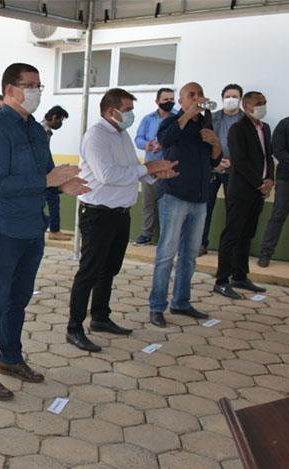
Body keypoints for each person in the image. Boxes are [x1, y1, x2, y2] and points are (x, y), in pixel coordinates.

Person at [0, 63, 89, 400]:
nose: (37, 91)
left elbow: (46, 174)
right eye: (30, 85)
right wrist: (48, 181)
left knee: (18, 300)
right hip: (4, 229)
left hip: (30, 229)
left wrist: (63, 186)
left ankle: (10, 358)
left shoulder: (36, 131)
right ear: (10, 90)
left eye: (39, 85)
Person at [66, 89, 178, 352]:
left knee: (109, 269)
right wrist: (148, 168)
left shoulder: (122, 134)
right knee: (89, 272)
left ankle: (101, 317)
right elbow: (107, 174)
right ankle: (74, 328)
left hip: (120, 213)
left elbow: (131, 168)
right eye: (127, 109)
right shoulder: (96, 136)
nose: (130, 114)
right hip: (98, 213)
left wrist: (155, 175)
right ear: (111, 111)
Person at [148, 82, 222, 328]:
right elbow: (166, 141)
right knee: (166, 255)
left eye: (200, 93)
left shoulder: (205, 123)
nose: (197, 98)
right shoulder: (170, 121)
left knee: (189, 256)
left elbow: (215, 161)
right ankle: (157, 307)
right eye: (191, 95)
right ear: (181, 101)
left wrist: (216, 145)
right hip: (174, 195)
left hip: (199, 199)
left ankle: (181, 302)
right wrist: (187, 115)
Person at [213, 92, 273, 298]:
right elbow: (239, 160)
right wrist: (260, 183)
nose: (262, 106)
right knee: (232, 234)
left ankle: (239, 276)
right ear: (246, 105)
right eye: (258, 103)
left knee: (247, 233)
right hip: (241, 189)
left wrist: (270, 180)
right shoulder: (238, 129)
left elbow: (267, 157)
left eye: (264, 103)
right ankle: (221, 280)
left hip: (259, 191)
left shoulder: (265, 128)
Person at [201, 84, 244, 255]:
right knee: (205, 208)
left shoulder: (246, 120)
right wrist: (215, 163)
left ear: (240, 99)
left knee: (233, 210)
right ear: (222, 98)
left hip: (235, 171)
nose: (231, 99)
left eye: (234, 96)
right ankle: (201, 244)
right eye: (228, 96)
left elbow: (249, 149)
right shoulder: (212, 117)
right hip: (213, 170)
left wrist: (233, 162)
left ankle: (230, 248)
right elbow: (203, 142)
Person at [133, 88, 176, 245]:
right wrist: (148, 145)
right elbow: (138, 139)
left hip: (170, 169)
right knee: (148, 203)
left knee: (169, 204)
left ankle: (168, 237)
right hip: (150, 169)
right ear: (157, 101)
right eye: (166, 100)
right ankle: (146, 234)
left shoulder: (178, 118)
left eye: (172, 99)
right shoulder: (148, 119)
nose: (169, 102)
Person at [258, 111, 289, 267]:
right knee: (278, 216)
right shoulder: (286, 123)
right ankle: (265, 254)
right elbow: (278, 149)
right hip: (287, 178)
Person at [41, 105, 71, 241]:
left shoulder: (45, 130)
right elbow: (41, 154)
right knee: (52, 199)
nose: (60, 124)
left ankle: (53, 229)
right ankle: (54, 230)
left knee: (51, 199)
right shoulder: (41, 130)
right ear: (54, 118)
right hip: (43, 174)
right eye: (60, 120)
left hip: (46, 171)